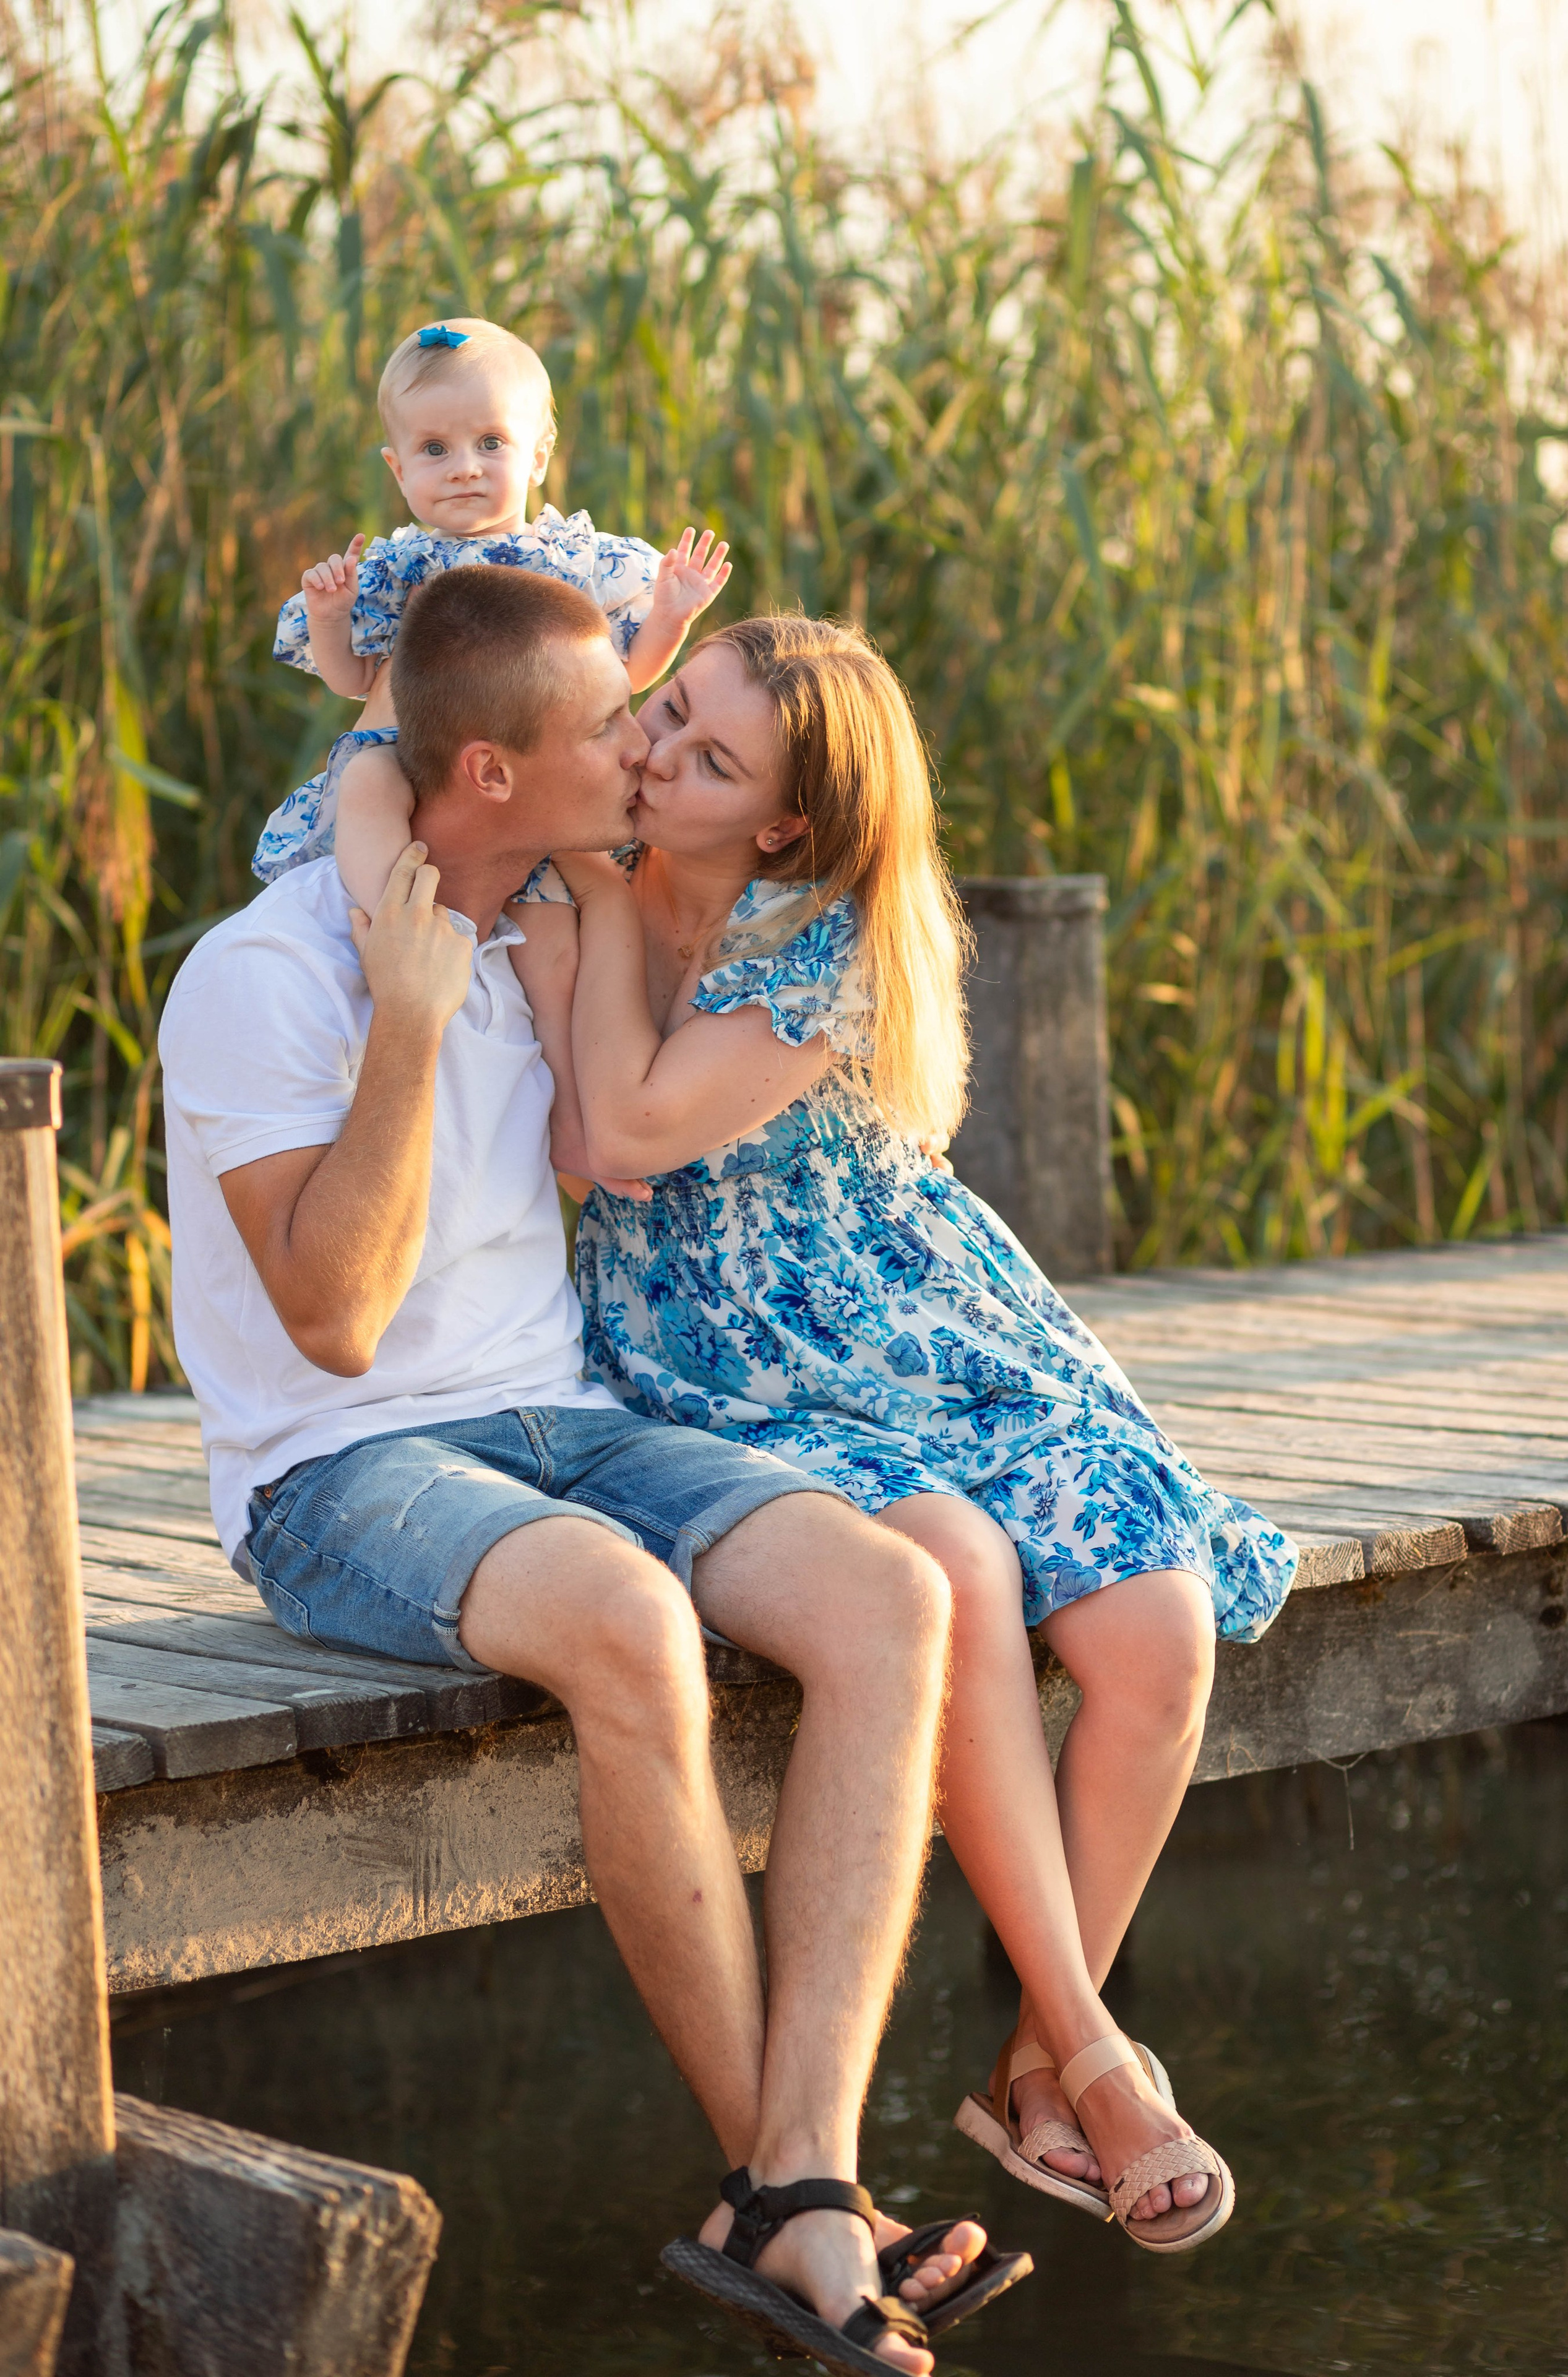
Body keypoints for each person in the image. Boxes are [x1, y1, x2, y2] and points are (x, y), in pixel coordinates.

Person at [158, 569, 1032, 2376]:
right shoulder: (265, 973)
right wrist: (405, 1015)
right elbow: (331, 1318)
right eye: (608, 726)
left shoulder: (540, 902)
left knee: (895, 1591)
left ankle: (791, 2181)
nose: (638, 748)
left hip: (561, 1421)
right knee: (631, 1614)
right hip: (343, 1469)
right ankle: (795, 2201)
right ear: (489, 773)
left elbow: (632, 1080)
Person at [337, 610, 1295, 2254]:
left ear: (779, 819)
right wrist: (376, 691)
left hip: (916, 1311)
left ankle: (1033, 2060)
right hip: (729, 1354)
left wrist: (605, 942)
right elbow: (601, 1143)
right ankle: (1095, 2054)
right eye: (670, 711)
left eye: (708, 756)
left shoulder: (824, 936)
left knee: (1158, 1628)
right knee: (955, 1569)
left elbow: (623, 1111)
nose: (655, 749)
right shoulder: (595, 863)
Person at [251, 314, 730, 891]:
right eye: (434, 449)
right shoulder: (394, 572)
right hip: (412, 761)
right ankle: (390, 925)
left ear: (537, 458)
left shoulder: (573, 565)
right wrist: (330, 617)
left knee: (553, 937)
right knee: (366, 782)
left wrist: (670, 620)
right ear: (398, 470)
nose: (465, 468)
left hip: (532, 785)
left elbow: (624, 679)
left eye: (491, 442)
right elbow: (353, 679)